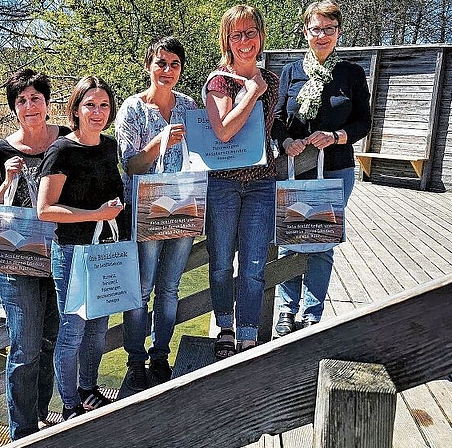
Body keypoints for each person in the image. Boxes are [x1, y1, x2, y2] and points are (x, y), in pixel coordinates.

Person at [0, 68, 70, 440]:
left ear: (48, 103)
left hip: (61, 254)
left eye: (36, 98)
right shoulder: (1, 151)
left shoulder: (66, 141)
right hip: (16, 261)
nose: (30, 106)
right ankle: (22, 433)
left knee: (51, 339)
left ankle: (41, 414)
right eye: (21, 101)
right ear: (13, 107)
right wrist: (6, 182)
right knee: (25, 346)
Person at [272, 0, 371, 335]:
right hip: (295, 168)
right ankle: (286, 311)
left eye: (329, 28)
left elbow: (364, 122)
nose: (323, 35)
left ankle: (312, 313)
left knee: (322, 241)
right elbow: (276, 122)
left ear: (338, 31)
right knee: (291, 238)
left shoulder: (352, 74)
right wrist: (286, 142)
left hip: (337, 169)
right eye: (316, 28)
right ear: (306, 31)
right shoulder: (290, 72)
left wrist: (336, 136)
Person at [36, 76, 125, 420]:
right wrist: (96, 214)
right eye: (90, 104)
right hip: (72, 252)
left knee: (99, 328)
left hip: (105, 250)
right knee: (72, 331)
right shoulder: (61, 150)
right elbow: (45, 210)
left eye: (104, 105)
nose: (98, 112)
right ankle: (70, 404)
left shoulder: (109, 146)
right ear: (75, 109)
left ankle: (89, 390)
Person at [115, 36, 198, 391]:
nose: (167, 70)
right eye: (160, 63)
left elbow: (204, 153)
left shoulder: (190, 106)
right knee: (142, 287)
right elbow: (130, 165)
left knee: (170, 288)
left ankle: (160, 354)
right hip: (146, 209)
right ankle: (135, 360)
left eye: (174, 64)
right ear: (148, 65)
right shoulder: (132, 108)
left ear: (181, 69)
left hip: (184, 208)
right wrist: (158, 142)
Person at [204, 4, 279, 358]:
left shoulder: (273, 80)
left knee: (253, 264)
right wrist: (252, 91)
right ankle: (225, 327)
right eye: (237, 34)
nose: (245, 41)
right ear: (227, 40)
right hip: (223, 184)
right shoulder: (219, 81)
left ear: (261, 36)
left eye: (251, 32)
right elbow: (223, 132)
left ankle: (248, 333)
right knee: (221, 262)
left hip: (262, 183)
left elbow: (265, 132)